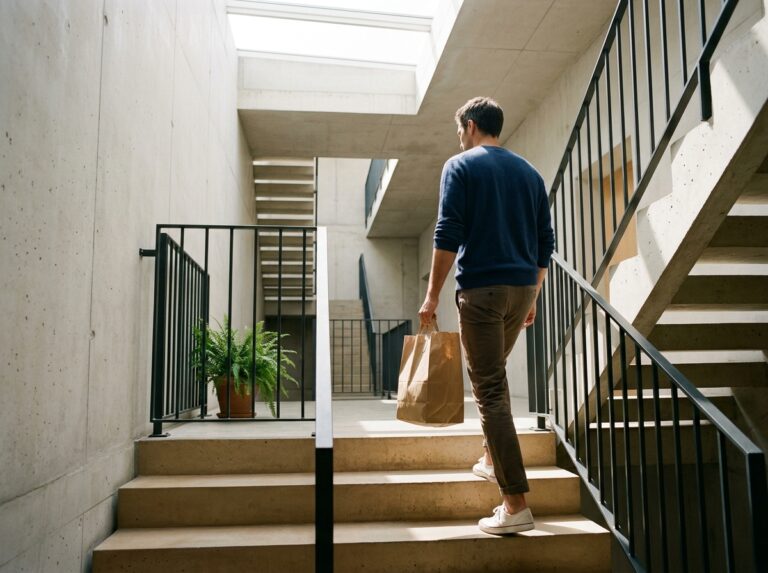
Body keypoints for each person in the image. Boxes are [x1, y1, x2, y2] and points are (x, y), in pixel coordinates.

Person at [418, 96, 554, 535]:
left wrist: (431, 296)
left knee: (490, 391)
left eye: (461, 131)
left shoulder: (460, 167)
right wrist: (532, 295)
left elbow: (447, 233)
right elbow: (544, 243)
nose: (460, 139)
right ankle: (491, 456)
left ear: (472, 126)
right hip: (521, 291)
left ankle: (515, 504)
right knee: (493, 377)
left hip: (482, 292)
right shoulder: (529, 173)